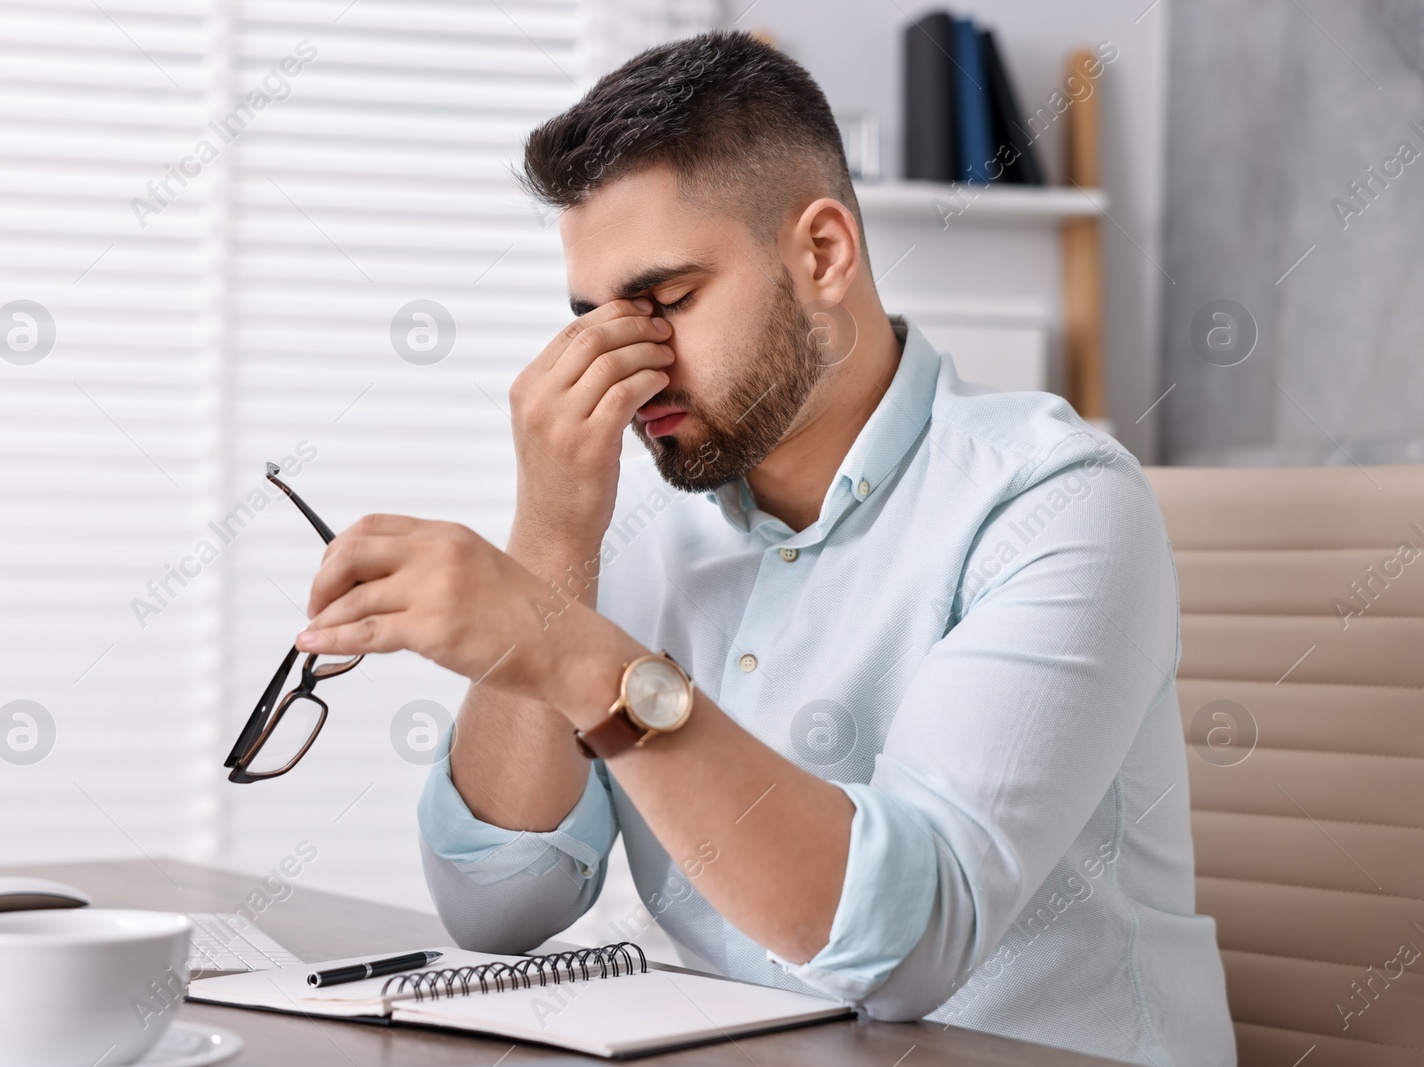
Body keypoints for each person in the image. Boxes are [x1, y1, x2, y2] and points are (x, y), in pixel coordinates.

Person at [295, 30, 1235, 1066]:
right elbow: (501, 905)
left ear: (821, 253)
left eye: (666, 302)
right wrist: (552, 543)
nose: (633, 369)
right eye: (594, 320)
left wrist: (563, 645)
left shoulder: (1055, 502)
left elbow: (907, 948)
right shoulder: (639, 517)